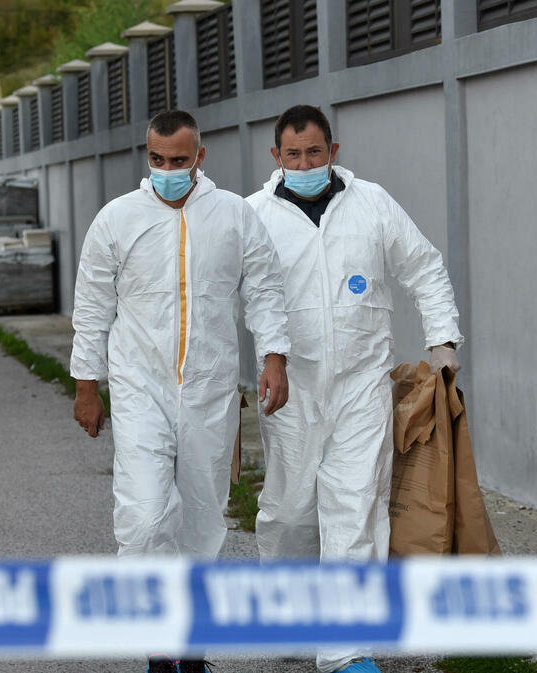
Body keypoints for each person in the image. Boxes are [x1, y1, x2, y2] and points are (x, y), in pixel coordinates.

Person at [71, 110, 291, 673]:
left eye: (178, 160)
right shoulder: (117, 219)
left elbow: (265, 288)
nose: (167, 170)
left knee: (202, 519)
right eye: (157, 160)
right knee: (145, 516)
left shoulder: (233, 215)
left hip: (209, 390)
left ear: (200, 157)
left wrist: (274, 356)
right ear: (147, 156)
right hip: (139, 388)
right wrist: (86, 385)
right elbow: (92, 306)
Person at [246, 105, 463, 673]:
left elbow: (424, 266)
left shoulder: (372, 203)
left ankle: (345, 649)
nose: (304, 164)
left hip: (363, 384)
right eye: (293, 154)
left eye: (314, 152)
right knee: (290, 512)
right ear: (276, 157)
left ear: (333, 151)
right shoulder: (253, 216)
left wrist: (442, 341)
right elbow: (224, 294)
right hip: (290, 389)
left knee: (357, 506)